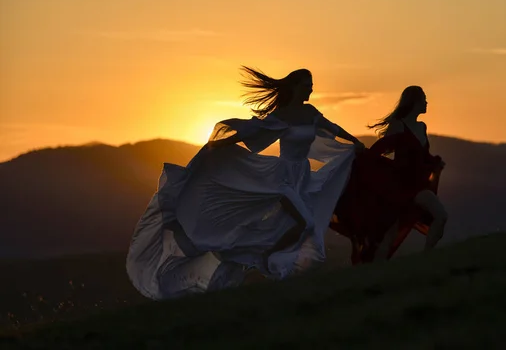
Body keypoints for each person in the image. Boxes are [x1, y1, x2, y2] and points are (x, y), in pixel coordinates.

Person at [126, 66, 364, 299]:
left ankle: (264, 267)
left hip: (302, 175)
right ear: (294, 87)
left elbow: (333, 128)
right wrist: (222, 144)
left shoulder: (311, 112)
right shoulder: (281, 116)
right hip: (281, 179)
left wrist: (355, 142)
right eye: (306, 86)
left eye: (312, 87)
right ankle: (269, 261)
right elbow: (252, 131)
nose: (310, 91)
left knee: (284, 226)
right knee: (306, 223)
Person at [331, 86, 448, 264]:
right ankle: (374, 272)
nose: (426, 103)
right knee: (389, 235)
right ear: (414, 102)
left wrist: (435, 162)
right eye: (424, 99)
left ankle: (426, 259)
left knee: (440, 215)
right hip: (399, 186)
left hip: (418, 185)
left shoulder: (422, 127)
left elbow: (422, 155)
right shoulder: (398, 125)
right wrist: (361, 154)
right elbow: (381, 148)